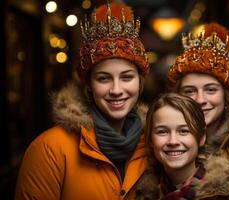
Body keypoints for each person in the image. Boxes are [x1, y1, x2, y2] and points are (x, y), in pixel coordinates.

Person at [15, 2, 149, 199]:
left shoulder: (154, 146)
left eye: (127, 77)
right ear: (89, 86)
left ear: (140, 83)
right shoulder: (50, 149)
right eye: (103, 78)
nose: (116, 90)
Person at [135, 92, 229, 199]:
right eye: (162, 132)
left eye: (184, 131)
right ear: (150, 140)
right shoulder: (142, 196)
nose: (173, 141)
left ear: (201, 138)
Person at [167, 23, 229, 163]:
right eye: (190, 91)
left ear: (225, 95)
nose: (200, 100)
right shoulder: (165, 141)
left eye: (210, 89)